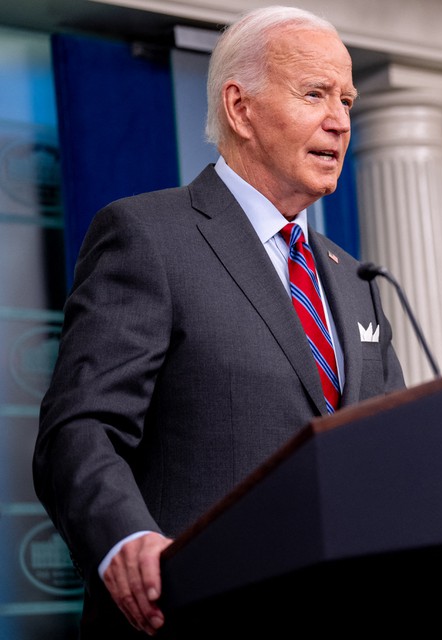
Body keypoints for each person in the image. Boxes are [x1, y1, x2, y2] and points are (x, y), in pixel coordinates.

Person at [33, 6, 405, 637]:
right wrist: (126, 541)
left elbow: (395, 449)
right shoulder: (148, 236)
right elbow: (82, 427)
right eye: (314, 94)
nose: (340, 121)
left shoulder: (355, 277)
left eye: (346, 98)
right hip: (190, 611)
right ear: (240, 108)